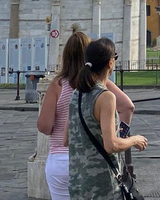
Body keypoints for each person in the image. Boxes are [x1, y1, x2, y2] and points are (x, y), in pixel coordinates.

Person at [37, 33, 135, 200]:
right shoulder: (100, 86)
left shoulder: (58, 84)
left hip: (60, 160)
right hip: (92, 161)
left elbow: (45, 127)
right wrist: (119, 135)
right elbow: (127, 106)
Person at [67, 38, 147, 200]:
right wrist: (134, 140)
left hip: (77, 184)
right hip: (102, 185)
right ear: (111, 63)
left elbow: (66, 139)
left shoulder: (76, 94)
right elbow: (111, 145)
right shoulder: (106, 97)